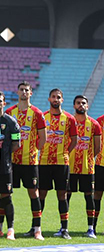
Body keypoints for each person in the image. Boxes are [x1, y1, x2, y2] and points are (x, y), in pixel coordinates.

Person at [6, 82, 47, 239]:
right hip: (12, 161)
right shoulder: (10, 112)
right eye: (21, 90)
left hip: (30, 162)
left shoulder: (37, 113)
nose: (24, 92)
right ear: (17, 92)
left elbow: (43, 138)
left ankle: (37, 229)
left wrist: (34, 150)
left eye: (27, 90)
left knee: (33, 193)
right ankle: (2, 227)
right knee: (6, 192)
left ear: (31, 93)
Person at [37, 89, 76, 239]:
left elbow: (75, 140)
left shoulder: (69, 118)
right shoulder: (42, 117)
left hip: (61, 162)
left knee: (62, 194)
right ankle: (36, 227)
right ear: (49, 99)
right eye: (53, 97)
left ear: (62, 100)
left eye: (58, 97)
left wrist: (65, 152)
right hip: (44, 162)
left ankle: (64, 228)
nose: (56, 99)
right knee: (41, 194)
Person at [67, 95, 102, 238]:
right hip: (69, 167)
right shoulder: (68, 122)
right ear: (74, 105)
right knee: (66, 196)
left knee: (89, 197)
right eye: (78, 103)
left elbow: (97, 148)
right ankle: (64, 228)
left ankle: (90, 228)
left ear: (87, 106)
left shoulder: (94, 124)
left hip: (87, 168)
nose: (81, 105)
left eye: (83, 103)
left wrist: (87, 158)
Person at [0, 91, 21, 240]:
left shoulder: (11, 122)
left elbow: (16, 144)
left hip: (5, 165)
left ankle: (9, 229)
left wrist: (5, 154)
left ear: (4, 103)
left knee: (6, 196)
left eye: (0, 101)